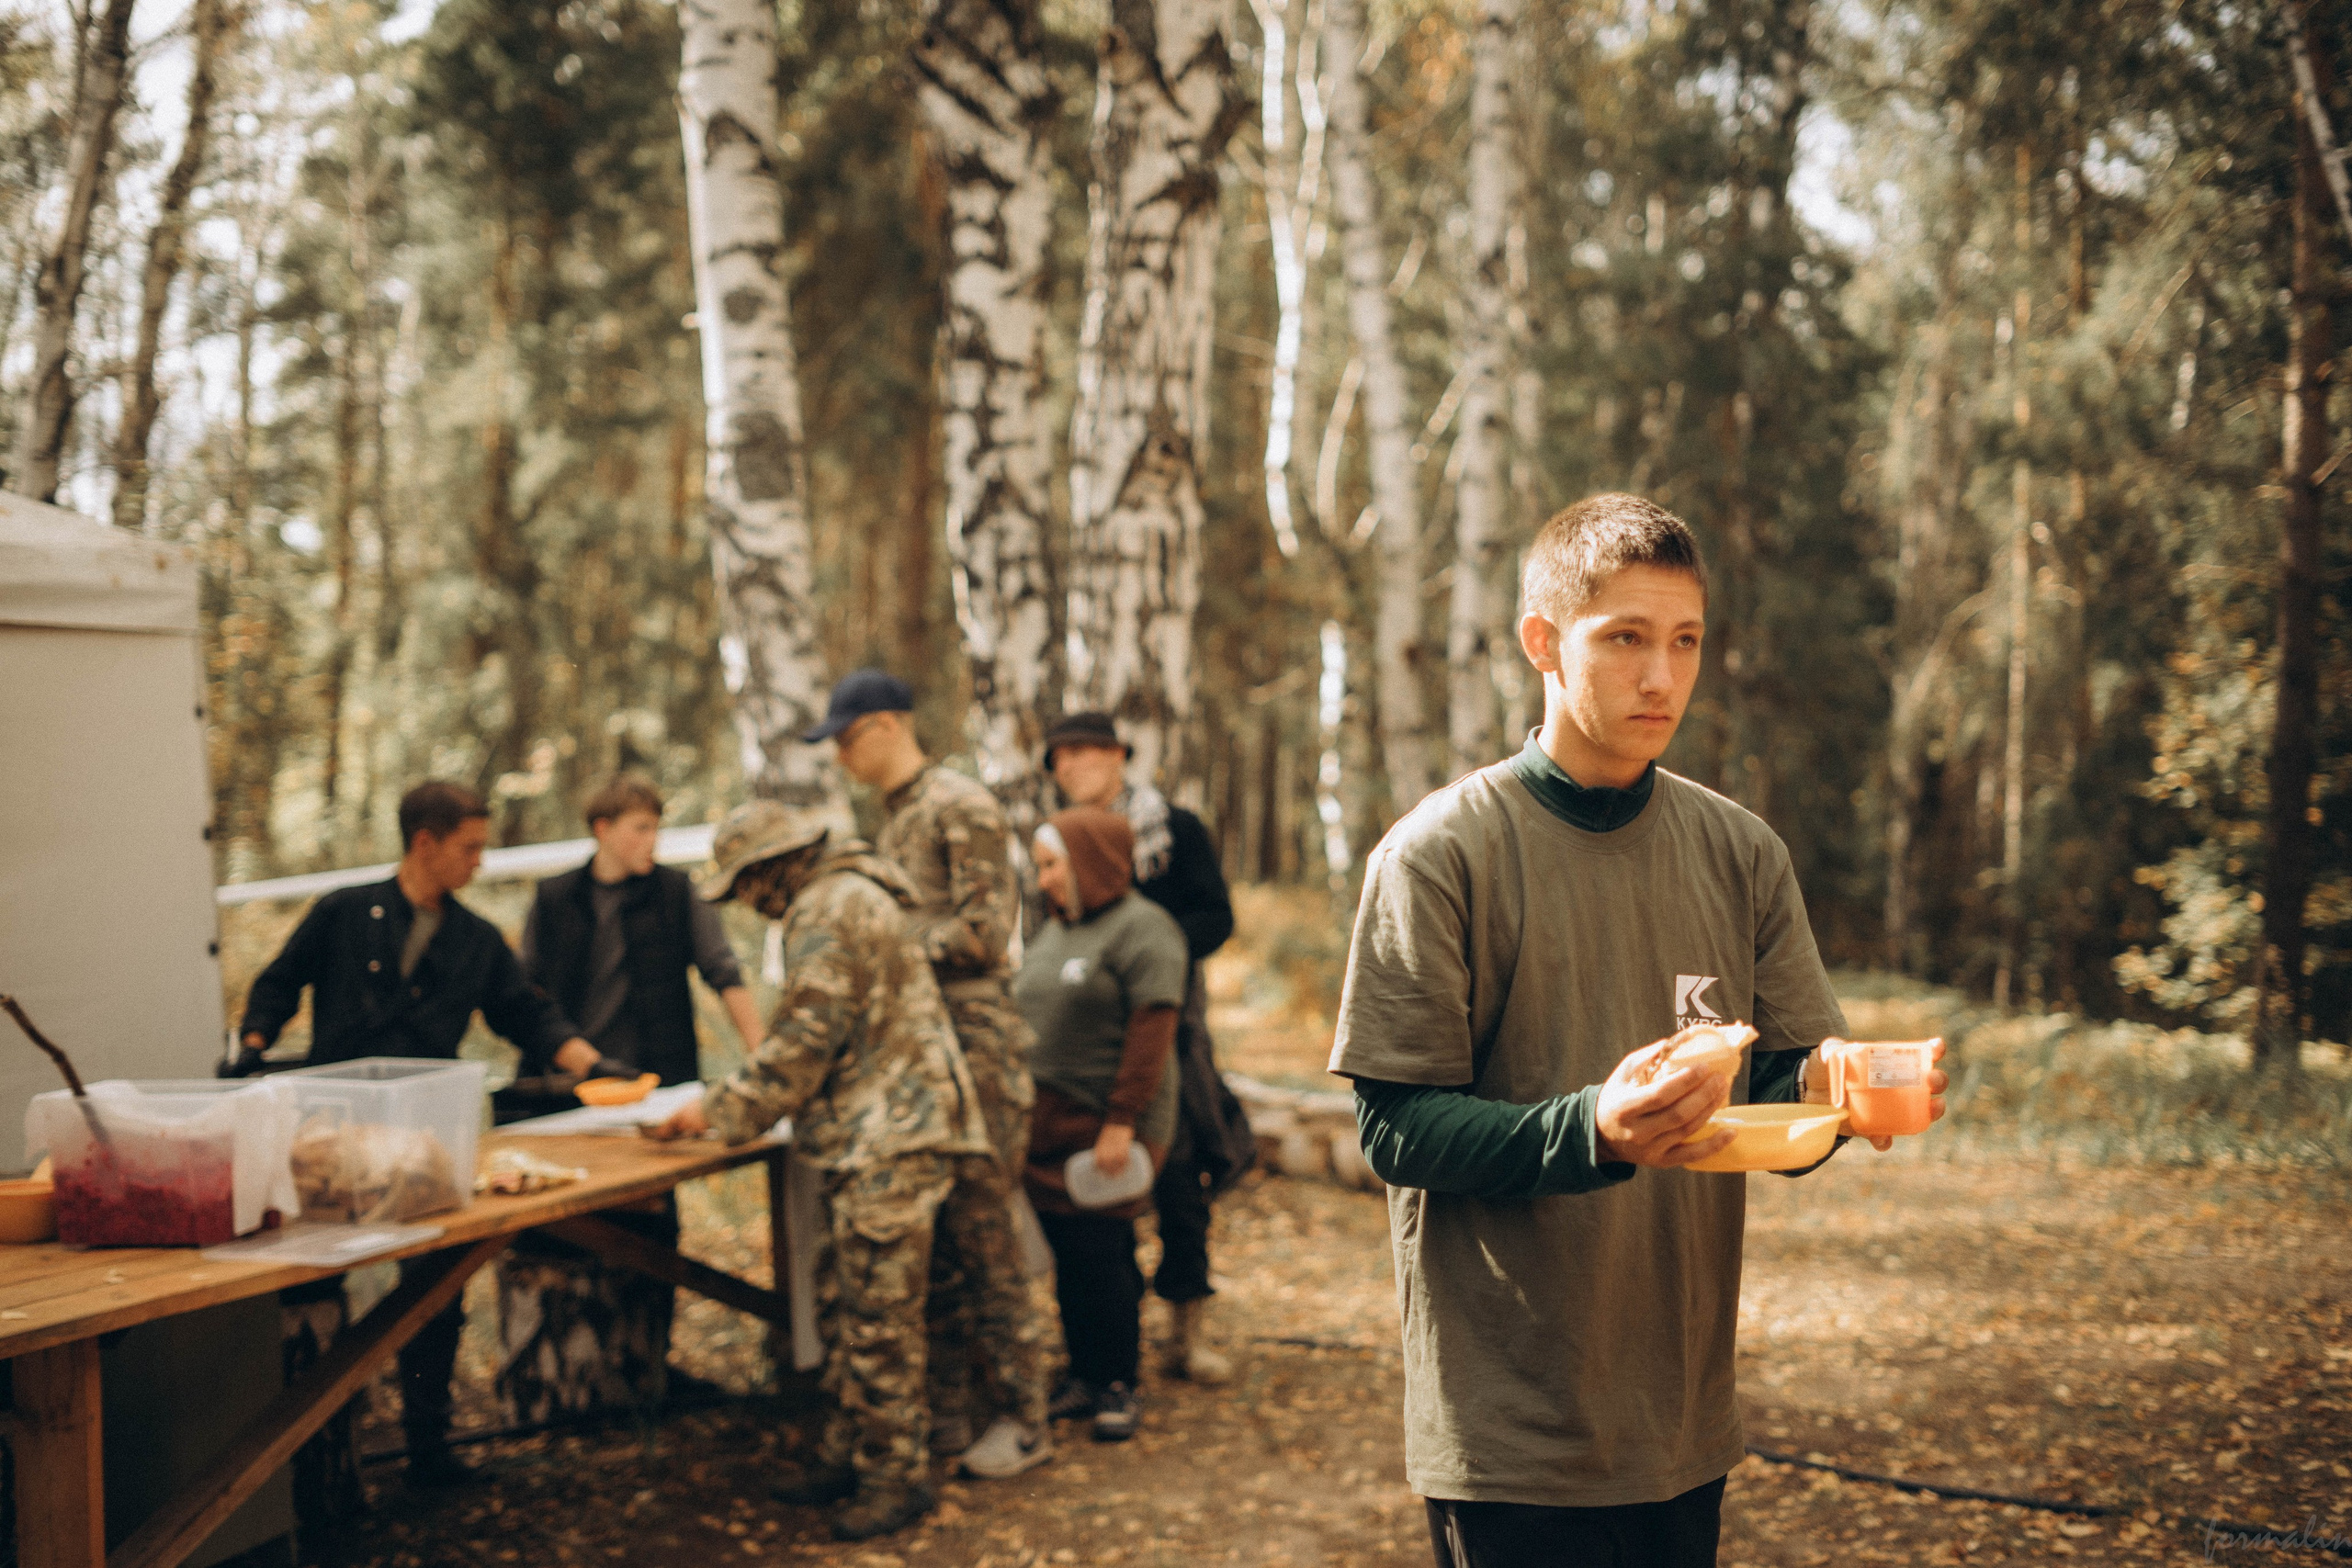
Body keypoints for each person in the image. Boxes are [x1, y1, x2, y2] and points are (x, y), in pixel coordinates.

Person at [1328, 493, 1950, 1568]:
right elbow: (1393, 1128)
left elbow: (1782, 1084)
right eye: (1622, 639)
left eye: (1684, 643)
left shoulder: (1740, 851)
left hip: (1680, 1419)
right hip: (1510, 1430)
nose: (1660, 677)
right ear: (1543, 643)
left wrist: (1840, 1091)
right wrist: (1592, 1132)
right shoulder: (1439, 854)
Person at [650, 801, 1045, 1540]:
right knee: (847, 1299)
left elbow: (806, 1035)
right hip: (882, 1129)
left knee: (879, 1316)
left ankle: (894, 1477)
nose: (747, 903)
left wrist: (719, 1112)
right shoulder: (852, 892)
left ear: (772, 869)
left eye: (745, 886)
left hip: (889, 1135)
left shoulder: (827, 908)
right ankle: (850, 1448)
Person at [232, 780, 600, 1488]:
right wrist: (252, 1044)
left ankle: (428, 1444)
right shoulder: (342, 913)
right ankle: (315, 1460)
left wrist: (595, 1067)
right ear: (424, 842)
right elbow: (280, 981)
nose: (480, 862)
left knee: (435, 1285)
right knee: (313, 1286)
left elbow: (527, 1015)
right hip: (329, 1138)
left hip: (425, 1143)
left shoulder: (475, 939)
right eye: (470, 847)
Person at [807, 670, 1051, 1477]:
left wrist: (890, 948)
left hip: (977, 1047)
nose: (841, 760)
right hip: (922, 1056)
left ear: (882, 724)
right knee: (936, 1238)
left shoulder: (959, 804)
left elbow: (986, 932)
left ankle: (1023, 1415)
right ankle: (950, 1407)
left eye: (845, 740)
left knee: (987, 1236)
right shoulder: (894, 818)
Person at [501, 773, 766, 1419]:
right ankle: (578, 1378)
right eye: (639, 827)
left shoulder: (676, 893)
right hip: (568, 1095)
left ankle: (649, 1363)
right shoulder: (555, 896)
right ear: (603, 830)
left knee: (654, 1221)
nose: (652, 840)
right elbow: (526, 994)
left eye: (656, 826)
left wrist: (762, 1057)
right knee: (572, 1227)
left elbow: (722, 969)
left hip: (656, 1091)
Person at [1043, 711, 1249, 1386]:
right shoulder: (1058, 843)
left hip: (1171, 1025)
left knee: (1181, 1173)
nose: (1071, 767)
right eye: (1060, 759)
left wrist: (1148, 958)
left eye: (1084, 753)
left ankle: (1186, 1334)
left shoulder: (1174, 828)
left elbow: (1216, 914)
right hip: (1084, 1035)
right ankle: (1107, 1340)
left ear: (1117, 755)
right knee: (1095, 1189)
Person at [1013, 807, 1190, 1443]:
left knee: (1103, 1252)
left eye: (1053, 864)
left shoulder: (1145, 928)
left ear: (1091, 860)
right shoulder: (1057, 931)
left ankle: (1118, 1381)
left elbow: (1152, 1032)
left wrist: (1122, 1121)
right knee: (1068, 1252)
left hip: (1107, 1124)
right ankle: (1085, 1374)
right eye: (1040, 867)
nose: (1044, 881)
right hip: (1049, 1127)